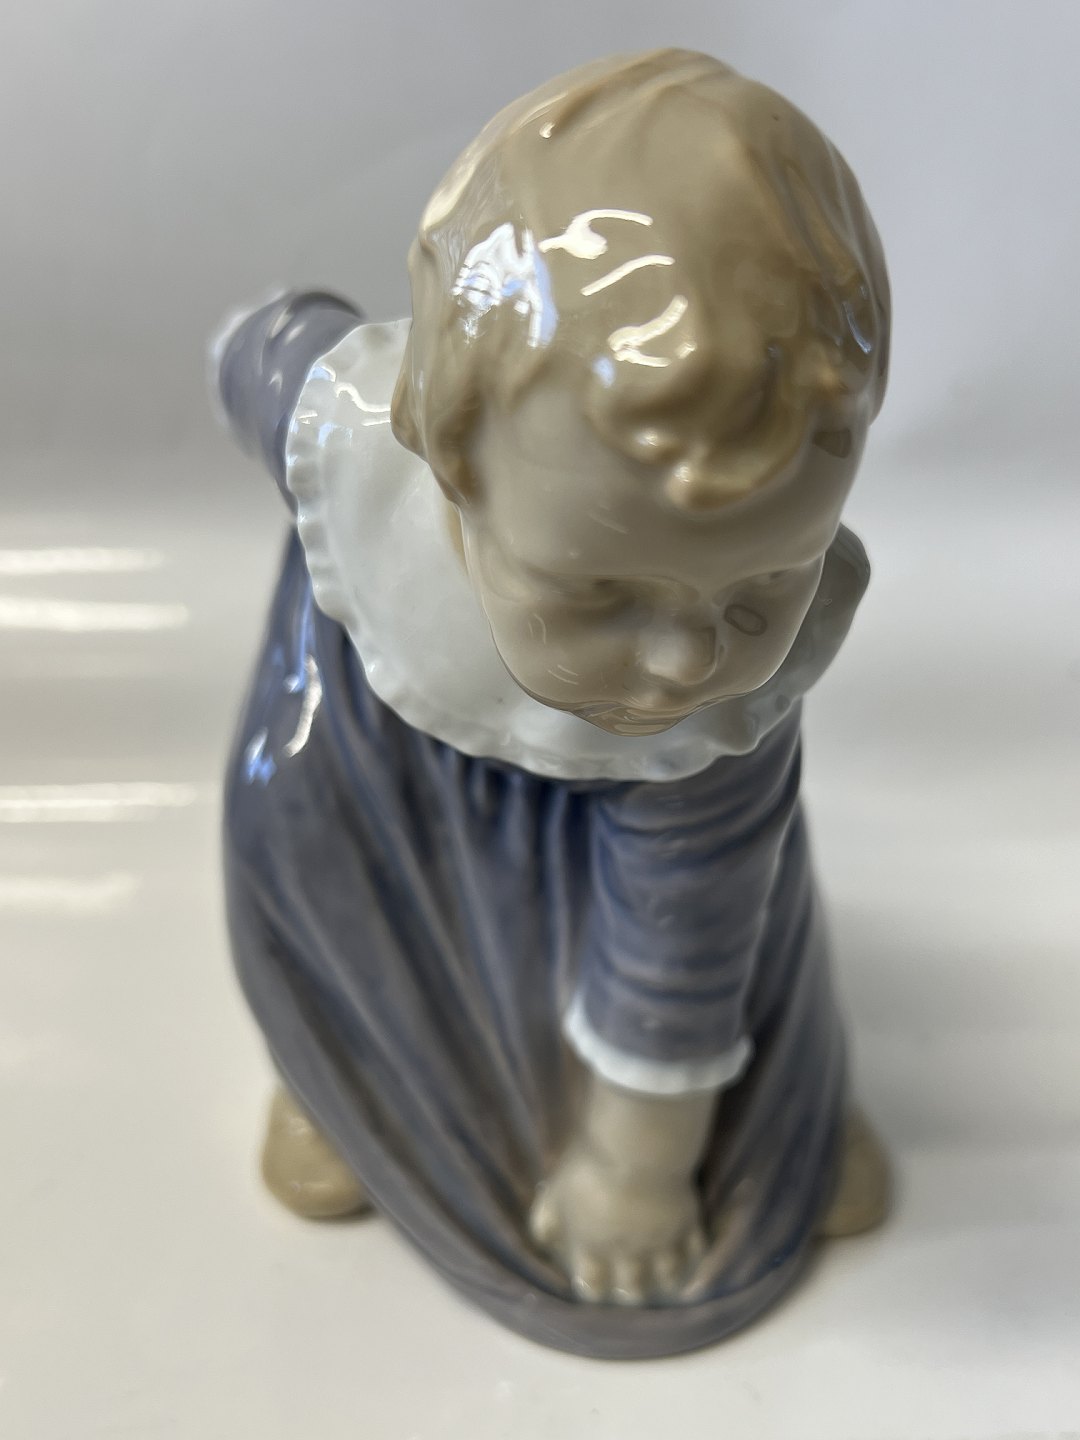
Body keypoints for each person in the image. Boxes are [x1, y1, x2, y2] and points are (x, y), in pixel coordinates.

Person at [214, 49, 891, 1358]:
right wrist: (249, 344)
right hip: (382, 783)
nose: (683, 661)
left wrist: (637, 1166)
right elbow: (259, 350)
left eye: (764, 587)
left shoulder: (709, 721)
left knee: (742, 929)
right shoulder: (356, 426)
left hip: (664, 841)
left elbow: (681, 939)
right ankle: (342, 1075)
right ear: (444, 449)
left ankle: (778, 1120)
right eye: (597, 593)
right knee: (302, 857)